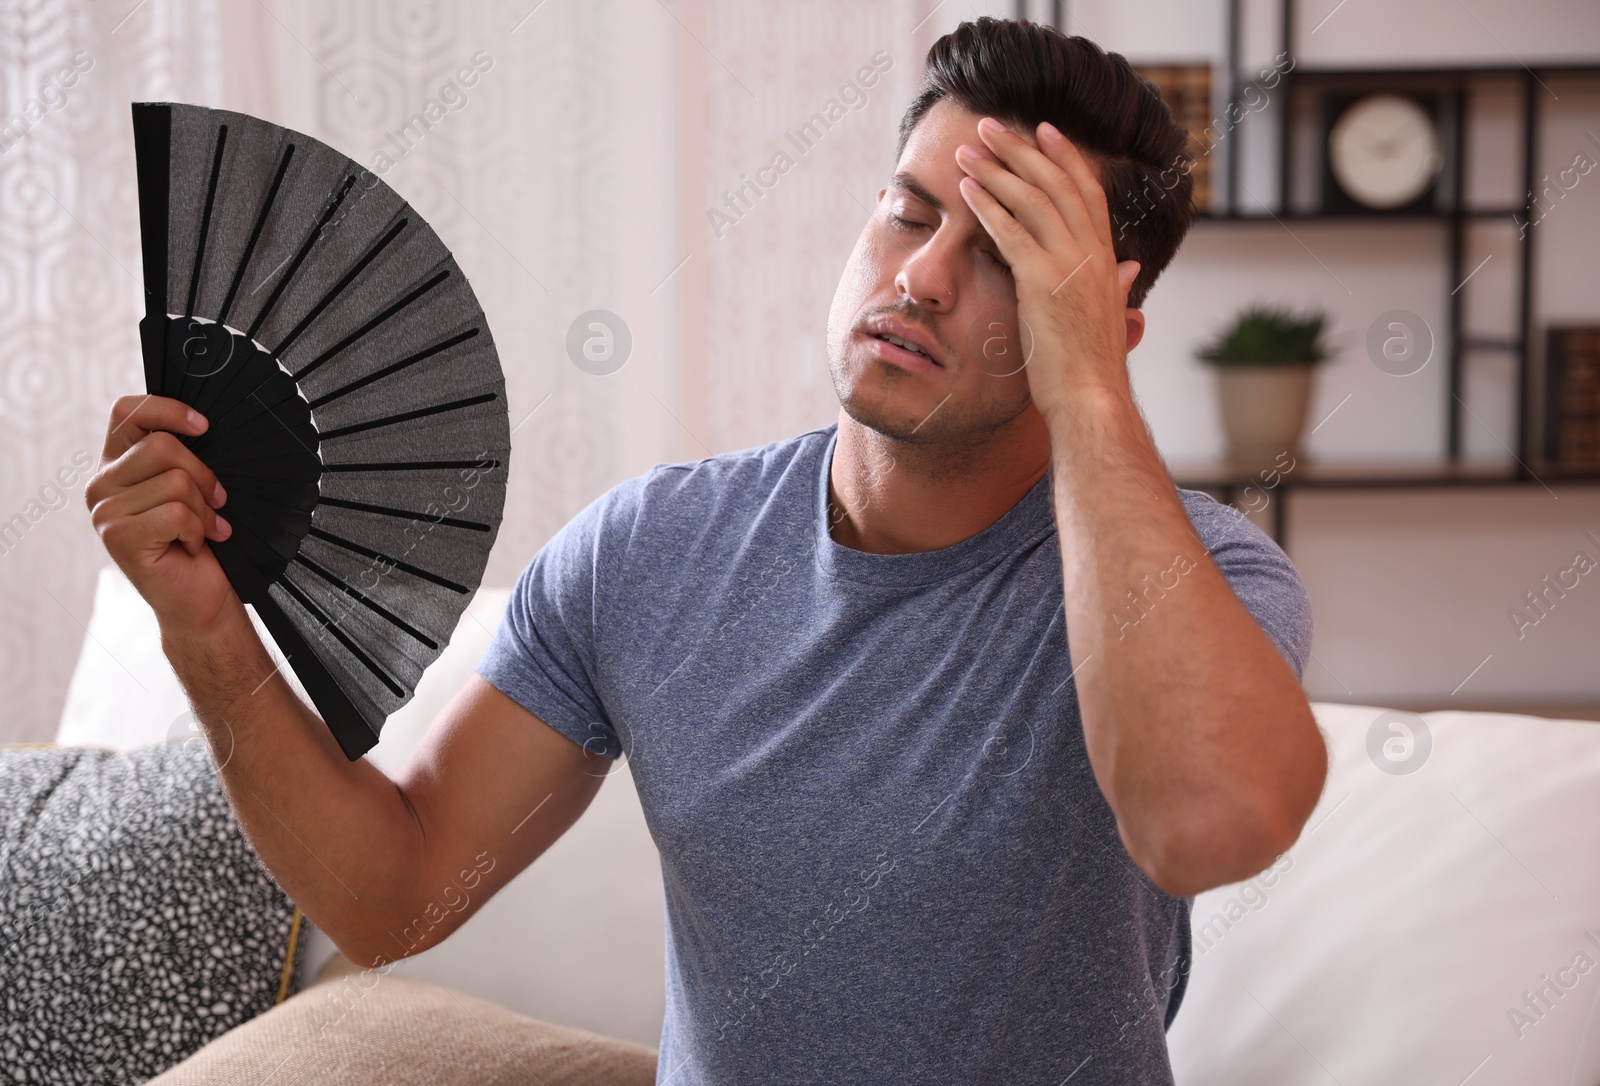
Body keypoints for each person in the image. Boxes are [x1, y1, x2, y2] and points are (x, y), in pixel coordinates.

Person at [86, 16, 1326, 1085]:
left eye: (1006, 256)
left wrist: (1091, 393)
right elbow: (392, 895)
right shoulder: (651, 554)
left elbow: (1206, 828)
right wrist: (203, 626)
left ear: (1109, 324)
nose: (925, 278)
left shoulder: (1200, 576)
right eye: (907, 215)